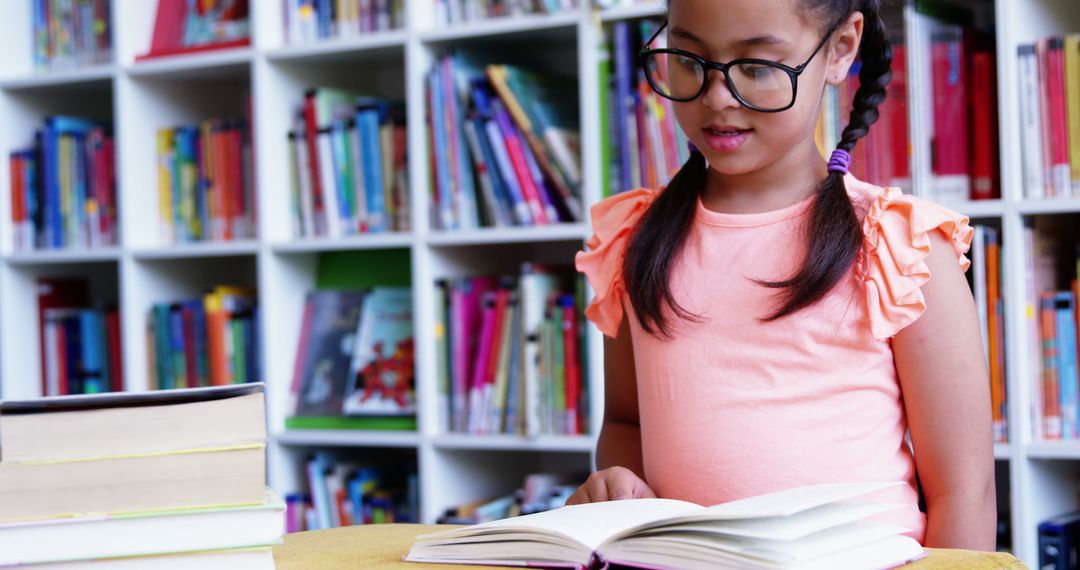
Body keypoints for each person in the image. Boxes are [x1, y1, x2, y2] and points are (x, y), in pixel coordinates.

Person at [569, 0, 996, 551]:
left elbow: (964, 490)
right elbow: (626, 425)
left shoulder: (900, 245)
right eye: (689, 59)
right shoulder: (635, 240)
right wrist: (620, 488)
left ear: (841, 49)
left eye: (758, 67)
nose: (717, 97)